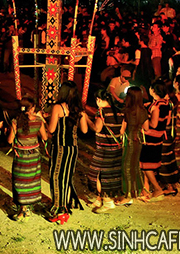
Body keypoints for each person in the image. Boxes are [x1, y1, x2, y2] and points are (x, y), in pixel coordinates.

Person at [46, 81, 89, 223]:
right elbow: (84, 130)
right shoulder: (79, 109)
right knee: (67, 177)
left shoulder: (58, 107)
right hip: (73, 148)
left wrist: (43, 120)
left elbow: (51, 129)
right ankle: (65, 206)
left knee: (56, 176)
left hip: (60, 146)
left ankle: (59, 209)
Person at [85, 88, 125, 214]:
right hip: (116, 148)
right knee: (109, 175)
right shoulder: (118, 112)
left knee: (97, 175)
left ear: (99, 100)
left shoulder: (102, 112)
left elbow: (97, 128)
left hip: (104, 149)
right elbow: (122, 131)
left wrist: (86, 118)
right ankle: (99, 199)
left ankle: (108, 202)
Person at [118, 86, 146, 206]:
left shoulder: (127, 111)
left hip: (129, 140)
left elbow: (121, 130)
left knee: (126, 167)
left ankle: (128, 195)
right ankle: (139, 191)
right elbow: (146, 127)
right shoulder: (143, 111)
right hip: (138, 140)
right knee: (136, 166)